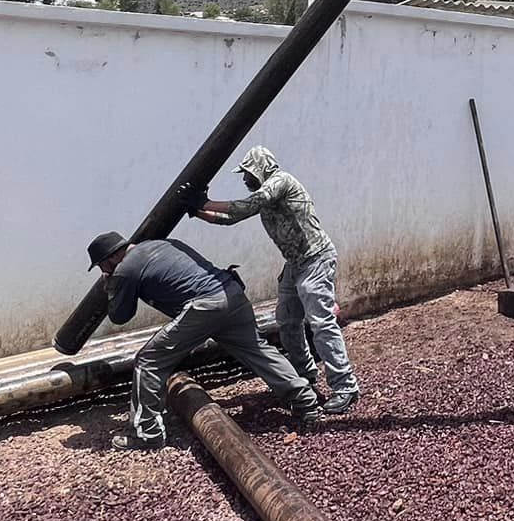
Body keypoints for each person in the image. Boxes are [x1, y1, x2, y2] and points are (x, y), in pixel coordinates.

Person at [87, 230, 320, 448]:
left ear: (109, 259)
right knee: (257, 350)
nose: (102, 271)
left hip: (205, 307)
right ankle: (305, 401)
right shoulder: (162, 244)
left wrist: (111, 286)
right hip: (231, 293)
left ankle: (147, 433)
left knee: (149, 360)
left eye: (101, 266)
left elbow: (120, 315)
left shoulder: (125, 269)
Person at [190, 146, 361, 415]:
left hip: (315, 259)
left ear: (260, 168)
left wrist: (204, 203)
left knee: (321, 322)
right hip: (295, 264)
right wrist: (196, 210)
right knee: (287, 321)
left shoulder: (279, 182)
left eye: (247, 173)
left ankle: (345, 386)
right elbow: (229, 219)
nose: (245, 179)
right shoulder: (264, 196)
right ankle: (305, 375)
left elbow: (246, 206)